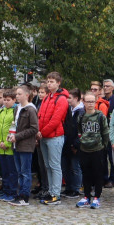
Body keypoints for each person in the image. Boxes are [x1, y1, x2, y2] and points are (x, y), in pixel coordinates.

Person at [37, 72, 69, 205]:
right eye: (48, 81)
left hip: (54, 136)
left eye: (52, 81)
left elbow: (56, 120)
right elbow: (40, 115)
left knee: (55, 165)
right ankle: (51, 191)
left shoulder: (61, 99)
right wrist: (39, 131)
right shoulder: (46, 98)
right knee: (48, 166)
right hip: (44, 136)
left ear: (58, 83)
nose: (49, 83)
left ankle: (56, 193)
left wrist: (42, 132)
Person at [77, 91, 111, 209]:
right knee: (86, 174)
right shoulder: (81, 116)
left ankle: (97, 197)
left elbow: (105, 132)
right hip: (84, 149)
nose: (90, 104)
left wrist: (103, 146)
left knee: (98, 174)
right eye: (88, 101)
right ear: (84, 102)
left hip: (97, 149)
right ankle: (86, 196)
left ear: (95, 102)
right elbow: (79, 130)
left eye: (92, 101)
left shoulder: (100, 116)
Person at [10, 84, 39, 206]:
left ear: (27, 95)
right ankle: (20, 193)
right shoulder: (17, 108)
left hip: (25, 144)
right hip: (16, 144)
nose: (17, 96)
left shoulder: (31, 109)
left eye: (19, 94)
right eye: (16, 94)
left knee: (25, 171)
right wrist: (11, 134)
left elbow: (34, 128)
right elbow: (14, 124)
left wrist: (17, 136)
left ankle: (24, 196)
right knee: (19, 171)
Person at [0, 89, 17, 201]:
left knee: (11, 171)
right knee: (4, 172)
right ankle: (6, 191)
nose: (6, 102)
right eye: (5, 100)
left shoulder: (15, 112)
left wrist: (7, 143)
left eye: (8, 100)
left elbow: (14, 128)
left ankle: (12, 192)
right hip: (0, 147)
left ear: (14, 100)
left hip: (10, 147)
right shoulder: (1, 112)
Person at [61, 88, 84, 198]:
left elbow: (80, 130)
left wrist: (75, 144)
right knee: (66, 167)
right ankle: (68, 187)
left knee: (75, 167)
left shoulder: (81, 112)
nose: (67, 100)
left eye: (69, 98)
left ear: (76, 98)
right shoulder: (70, 110)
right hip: (67, 143)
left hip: (75, 144)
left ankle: (76, 188)